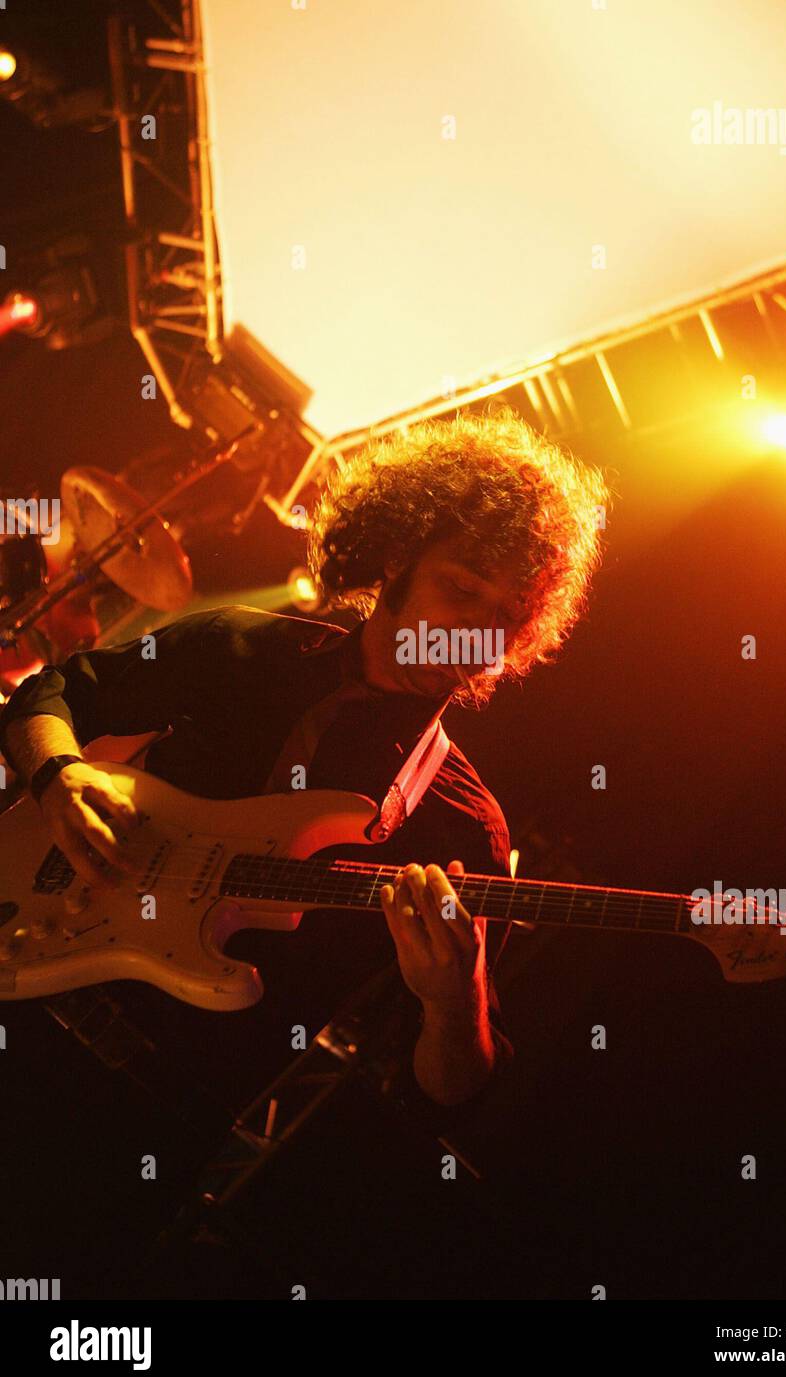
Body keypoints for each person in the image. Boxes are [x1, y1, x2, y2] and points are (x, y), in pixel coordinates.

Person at [0, 405, 607, 1120]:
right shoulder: (244, 645)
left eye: (505, 615)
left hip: (140, 1108)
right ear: (396, 556)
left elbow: (452, 1088)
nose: (475, 631)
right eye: (464, 589)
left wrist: (454, 1002)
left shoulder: (464, 832)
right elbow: (55, 692)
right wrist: (58, 775)